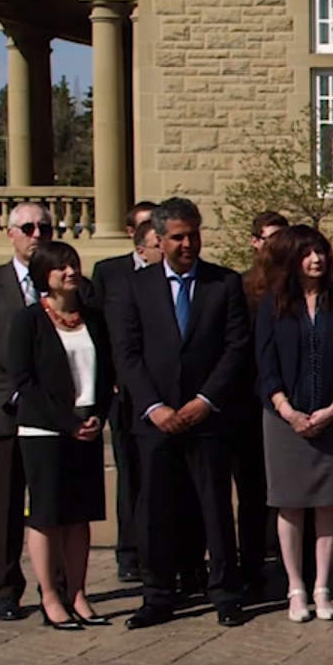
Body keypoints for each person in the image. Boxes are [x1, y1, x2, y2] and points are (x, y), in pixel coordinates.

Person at [115, 197, 254, 630]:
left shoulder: (223, 284)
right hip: (156, 421)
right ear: (159, 238)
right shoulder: (135, 288)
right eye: (178, 237)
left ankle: (224, 592)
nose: (188, 243)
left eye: (194, 234)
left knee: (214, 507)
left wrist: (205, 400)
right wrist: (154, 407)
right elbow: (128, 353)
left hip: (207, 418)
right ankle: (158, 594)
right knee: (155, 509)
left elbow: (236, 348)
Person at [254, 226, 333, 624]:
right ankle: (295, 586)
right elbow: (264, 362)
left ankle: (322, 586)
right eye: (308, 253)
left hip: (331, 416)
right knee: (291, 503)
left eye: (321, 252)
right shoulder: (274, 303)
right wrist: (286, 408)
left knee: (326, 502)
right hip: (285, 418)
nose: (316, 259)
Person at [9, 241, 112, 629]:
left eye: (73, 265)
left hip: (86, 427)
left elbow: (106, 375)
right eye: (60, 268)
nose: (70, 272)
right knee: (48, 514)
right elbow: (26, 382)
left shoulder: (94, 319)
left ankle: (78, 593)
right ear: (44, 277)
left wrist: (97, 416)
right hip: (44, 430)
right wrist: (67, 423)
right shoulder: (28, 321)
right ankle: (50, 596)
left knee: (80, 516)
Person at [87, 200, 158, 584]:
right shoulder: (109, 272)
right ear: (133, 234)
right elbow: (98, 329)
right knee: (130, 471)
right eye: (147, 226)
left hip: (165, 390)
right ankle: (129, 551)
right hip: (125, 390)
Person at [236, 211, 290, 598]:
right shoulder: (240, 288)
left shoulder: (300, 285)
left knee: (290, 491)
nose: (274, 245)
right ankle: (253, 566)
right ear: (255, 241)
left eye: (281, 238)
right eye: (268, 238)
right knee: (254, 491)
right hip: (250, 404)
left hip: (292, 403)